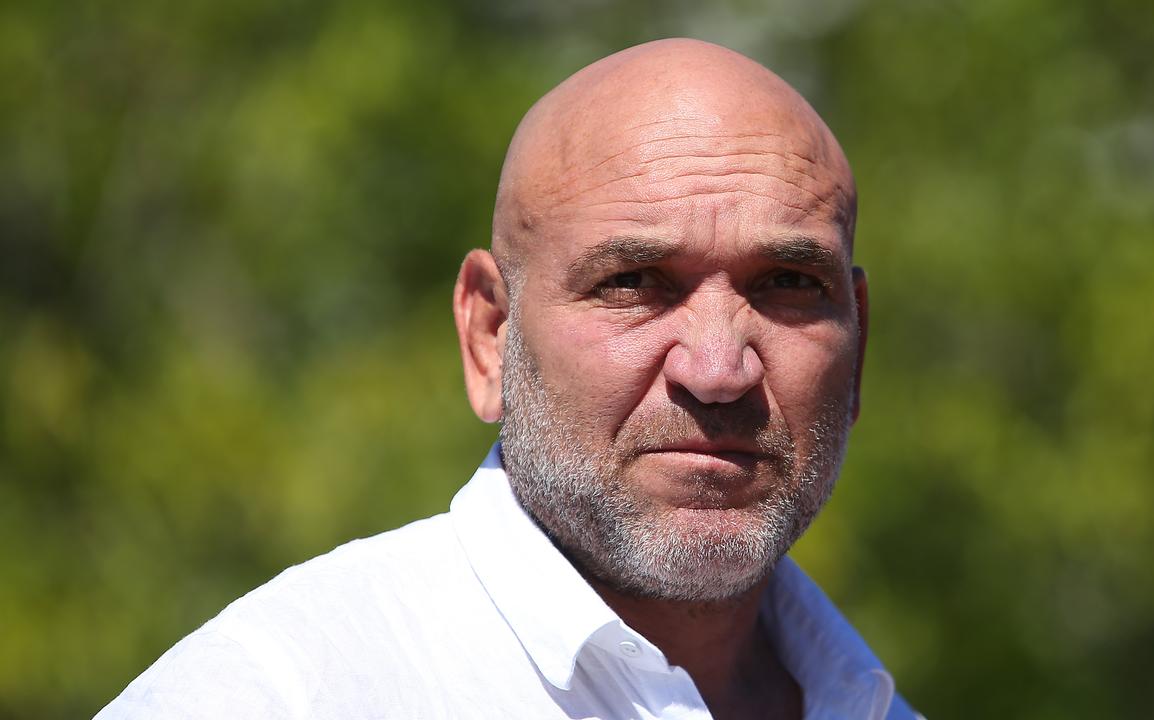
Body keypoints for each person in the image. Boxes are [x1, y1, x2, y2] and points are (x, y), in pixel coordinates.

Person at [97, 38, 920, 720]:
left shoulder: (871, 703)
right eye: (632, 283)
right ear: (490, 334)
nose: (717, 370)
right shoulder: (279, 695)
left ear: (860, 343)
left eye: (785, 283)